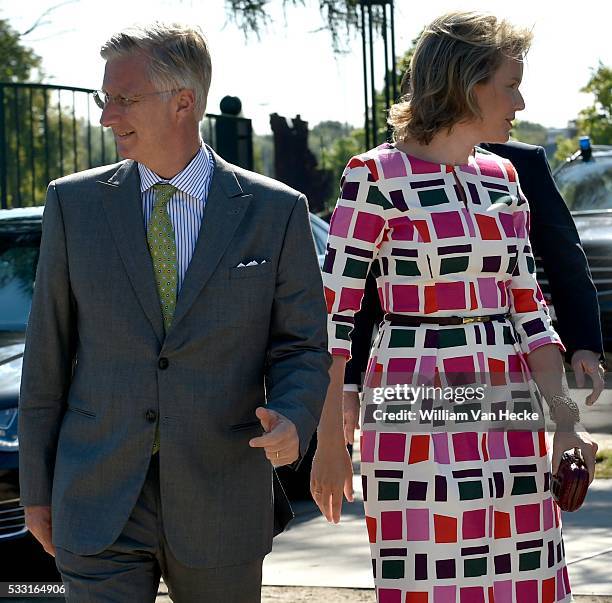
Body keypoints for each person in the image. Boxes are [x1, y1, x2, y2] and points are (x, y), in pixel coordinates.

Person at [18, 23, 330, 603]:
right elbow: (47, 357)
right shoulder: (73, 204)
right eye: (104, 99)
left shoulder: (275, 212)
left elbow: (302, 346)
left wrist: (293, 417)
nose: (108, 116)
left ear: (184, 101)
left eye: (124, 99)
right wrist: (38, 490)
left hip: (222, 494)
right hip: (97, 494)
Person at [312, 11, 598, 602]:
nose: (520, 100)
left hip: (507, 392)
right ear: (467, 85)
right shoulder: (376, 177)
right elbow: (332, 315)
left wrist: (566, 421)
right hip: (412, 386)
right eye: (509, 84)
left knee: (527, 567)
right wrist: (330, 441)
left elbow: (529, 309)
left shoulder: (504, 179)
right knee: (431, 570)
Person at [343, 138, 606, 442]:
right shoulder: (383, 169)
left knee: (505, 478)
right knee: (421, 482)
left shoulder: (515, 166)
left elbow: (562, 259)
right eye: (509, 88)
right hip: (408, 362)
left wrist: (583, 343)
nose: (518, 104)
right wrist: (348, 383)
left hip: (502, 358)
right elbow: (357, 286)